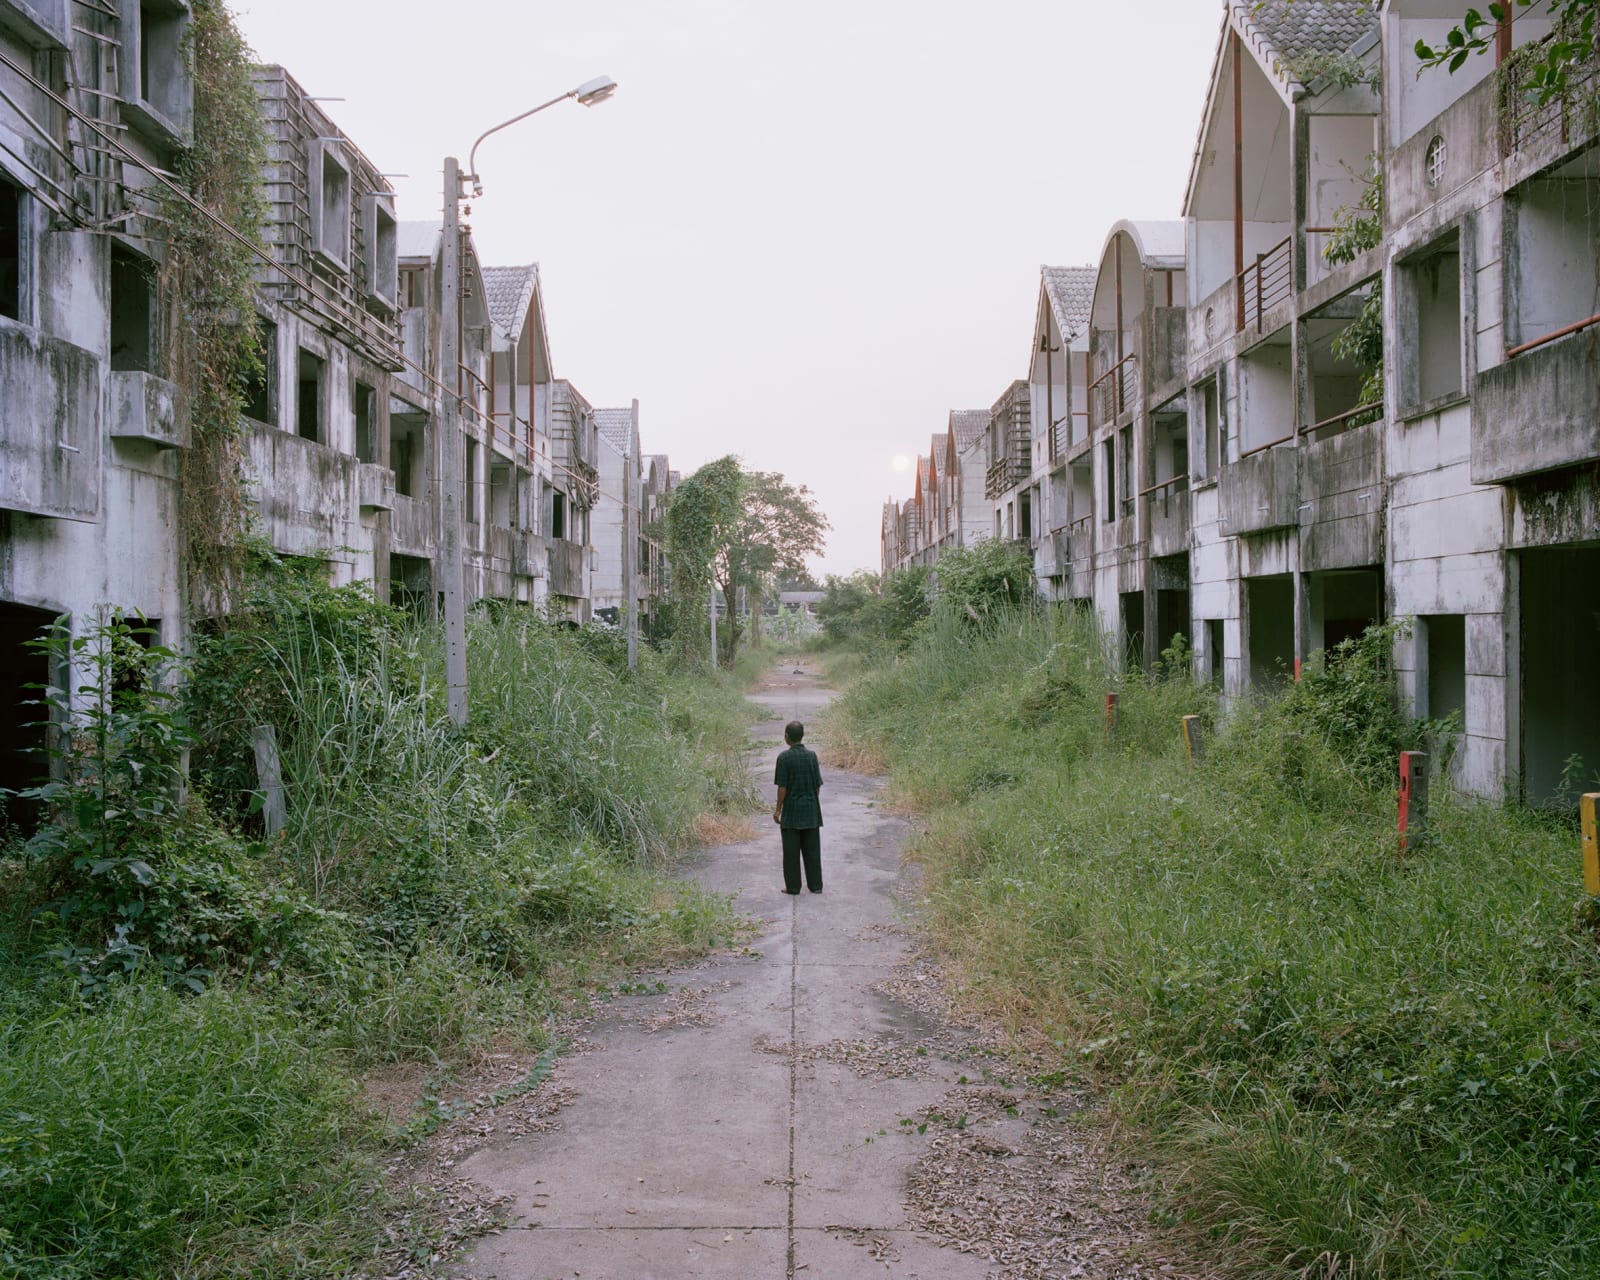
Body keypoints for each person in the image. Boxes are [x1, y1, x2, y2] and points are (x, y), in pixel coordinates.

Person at [773, 720, 823, 895]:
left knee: (791, 853)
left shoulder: (784, 758)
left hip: (792, 813)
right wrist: (811, 800)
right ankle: (816, 885)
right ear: (802, 736)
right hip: (811, 811)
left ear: (787, 736)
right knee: (813, 851)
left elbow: (782, 787)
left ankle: (793, 887)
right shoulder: (812, 756)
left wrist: (778, 809)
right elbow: (817, 785)